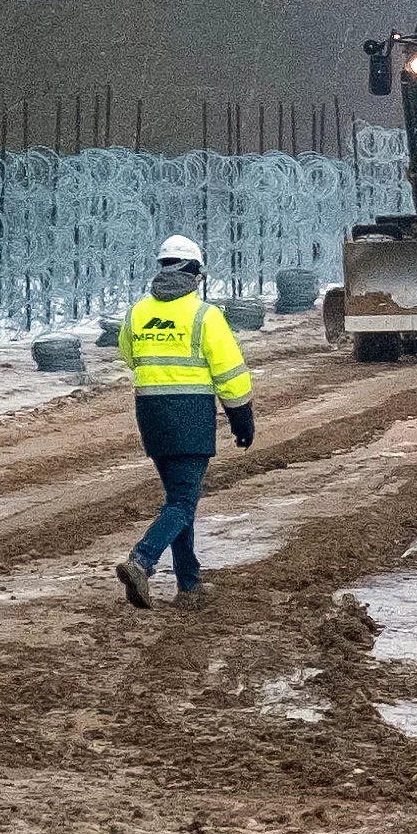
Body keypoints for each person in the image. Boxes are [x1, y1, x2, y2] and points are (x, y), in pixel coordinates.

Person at [114, 235, 254, 609]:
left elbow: (130, 357)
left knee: (179, 499)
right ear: (194, 273)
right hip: (190, 416)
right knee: (181, 502)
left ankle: (189, 586)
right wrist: (242, 419)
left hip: (151, 416)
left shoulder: (137, 312)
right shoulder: (205, 315)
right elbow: (230, 372)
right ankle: (142, 560)